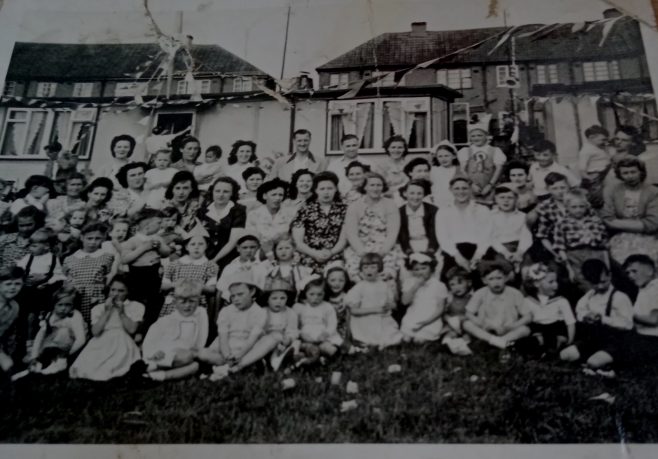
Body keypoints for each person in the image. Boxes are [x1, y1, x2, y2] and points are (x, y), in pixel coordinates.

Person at [560, 259, 633, 371]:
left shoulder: (619, 297)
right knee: (565, 355)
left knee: (593, 362)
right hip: (594, 339)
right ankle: (593, 361)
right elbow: (579, 310)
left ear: (609, 276)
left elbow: (628, 324)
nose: (599, 286)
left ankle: (604, 363)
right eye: (595, 283)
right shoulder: (590, 295)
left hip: (615, 341)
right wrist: (586, 316)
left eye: (603, 282)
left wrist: (603, 319)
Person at [69, 275, 144, 381]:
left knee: (114, 367)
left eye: (121, 291)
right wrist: (107, 311)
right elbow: (95, 332)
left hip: (122, 340)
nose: (115, 294)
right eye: (113, 290)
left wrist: (121, 312)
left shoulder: (136, 306)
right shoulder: (99, 308)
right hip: (100, 341)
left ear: (128, 292)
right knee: (88, 367)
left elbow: (132, 330)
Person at [198, 271, 267, 380]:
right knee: (202, 353)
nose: (236, 299)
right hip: (225, 349)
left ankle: (233, 367)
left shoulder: (260, 312)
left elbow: (252, 340)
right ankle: (227, 366)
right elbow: (223, 337)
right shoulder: (226, 311)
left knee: (258, 350)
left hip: (246, 348)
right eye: (233, 295)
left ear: (252, 291)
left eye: (240, 294)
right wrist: (227, 355)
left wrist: (239, 355)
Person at [142, 279, 208, 381]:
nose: (187, 306)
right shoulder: (165, 321)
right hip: (161, 356)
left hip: (187, 356)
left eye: (192, 301)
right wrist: (155, 353)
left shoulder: (200, 314)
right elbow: (150, 343)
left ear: (198, 301)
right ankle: (148, 368)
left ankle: (152, 377)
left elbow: (200, 339)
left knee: (195, 366)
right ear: (175, 301)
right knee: (187, 357)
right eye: (183, 301)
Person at [344, 172, 402, 281]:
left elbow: (392, 233)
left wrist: (382, 253)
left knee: (387, 274)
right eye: (372, 185)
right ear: (364, 187)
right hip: (360, 248)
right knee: (357, 275)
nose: (376, 188)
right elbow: (351, 234)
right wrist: (363, 254)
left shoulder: (390, 205)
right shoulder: (354, 206)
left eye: (379, 185)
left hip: (385, 247)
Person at [601, 157, 658, 266]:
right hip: (620, 237)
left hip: (648, 237)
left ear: (641, 172)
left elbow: (653, 224)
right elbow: (607, 218)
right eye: (625, 173)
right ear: (619, 175)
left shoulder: (653, 192)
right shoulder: (611, 190)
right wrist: (639, 224)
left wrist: (615, 223)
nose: (630, 176)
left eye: (633, 172)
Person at [462, 263, 531, 349]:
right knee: (467, 324)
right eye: (491, 279)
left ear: (505, 278)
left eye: (499, 278)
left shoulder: (515, 293)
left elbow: (528, 316)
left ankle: (497, 341)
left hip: (507, 328)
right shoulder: (480, 293)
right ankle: (497, 341)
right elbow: (468, 313)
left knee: (525, 329)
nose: (496, 282)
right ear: (484, 280)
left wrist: (512, 326)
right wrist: (481, 323)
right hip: (487, 329)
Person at [16, 228, 66, 346]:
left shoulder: (53, 259)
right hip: (27, 290)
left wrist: (46, 281)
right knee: (22, 315)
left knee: (36, 317)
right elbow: (18, 269)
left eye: (34, 246)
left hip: (42, 292)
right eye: (31, 246)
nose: (31, 249)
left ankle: (33, 340)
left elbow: (58, 275)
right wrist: (24, 277)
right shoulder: (29, 257)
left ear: (46, 246)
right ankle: (21, 338)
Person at [122, 209, 171, 329]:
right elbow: (125, 259)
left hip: (154, 274)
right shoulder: (133, 241)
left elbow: (166, 253)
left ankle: (149, 327)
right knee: (137, 302)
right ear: (147, 224)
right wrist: (143, 248)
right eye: (158, 223)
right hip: (138, 276)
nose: (162, 225)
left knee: (153, 302)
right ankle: (137, 327)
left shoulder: (158, 239)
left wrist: (159, 247)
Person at [553, 188, 609, 292]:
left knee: (602, 282)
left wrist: (607, 265)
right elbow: (560, 248)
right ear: (567, 207)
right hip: (575, 257)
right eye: (574, 207)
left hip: (596, 254)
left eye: (581, 206)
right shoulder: (562, 224)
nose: (578, 210)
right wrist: (569, 269)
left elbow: (604, 245)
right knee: (586, 286)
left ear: (586, 206)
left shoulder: (595, 221)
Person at [291, 171, 348, 273]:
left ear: (335, 189)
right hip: (309, 254)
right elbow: (297, 242)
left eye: (330, 188)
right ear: (315, 190)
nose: (326, 192)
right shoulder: (305, 210)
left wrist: (331, 253)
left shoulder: (344, 210)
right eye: (322, 189)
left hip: (336, 254)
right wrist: (314, 253)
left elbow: (343, 240)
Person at [435, 176, 493, 276]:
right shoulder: (443, 211)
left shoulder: (482, 210)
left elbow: (486, 236)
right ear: (450, 190)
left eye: (464, 188)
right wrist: (458, 257)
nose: (461, 192)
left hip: (478, 251)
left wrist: (477, 256)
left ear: (470, 189)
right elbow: (443, 237)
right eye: (456, 188)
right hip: (453, 252)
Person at [344, 252, 403, 349]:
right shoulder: (359, 287)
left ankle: (382, 341)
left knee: (395, 339)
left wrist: (390, 306)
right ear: (361, 270)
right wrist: (375, 310)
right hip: (365, 320)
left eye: (373, 267)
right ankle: (369, 342)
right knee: (372, 341)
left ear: (379, 269)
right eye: (365, 268)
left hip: (382, 319)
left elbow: (393, 304)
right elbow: (354, 311)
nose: (369, 271)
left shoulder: (384, 285)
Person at [517, 263, 575, 356]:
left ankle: (552, 350)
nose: (556, 285)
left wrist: (570, 341)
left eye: (556, 281)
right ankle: (541, 350)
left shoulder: (561, 301)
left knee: (559, 340)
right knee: (533, 340)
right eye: (551, 282)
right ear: (536, 284)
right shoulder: (528, 301)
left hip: (556, 327)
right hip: (538, 328)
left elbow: (570, 322)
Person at [63, 222, 115, 324]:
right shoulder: (70, 258)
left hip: (96, 297)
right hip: (76, 297)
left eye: (97, 238)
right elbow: (66, 280)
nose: (93, 242)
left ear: (103, 239)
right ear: (82, 237)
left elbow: (109, 277)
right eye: (89, 238)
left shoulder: (107, 257)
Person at [28, 286, 86, 375]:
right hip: (51, 346)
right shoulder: (50, 315)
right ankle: (40, 364)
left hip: (68, 349)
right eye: (60, 305)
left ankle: (59, 364)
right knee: (47, 338)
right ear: (54, 305)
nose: (63, 308)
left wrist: (67, 354)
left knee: (64, 332)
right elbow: (40, 336)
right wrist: (34, 356)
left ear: (73, 305)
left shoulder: (75, 316)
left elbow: (81, 339)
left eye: (68, 305)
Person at [160, 234, 218, 316]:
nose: (196, 247)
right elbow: (163, 285)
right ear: (187, 247)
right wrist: (175, 284)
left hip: (196, 303)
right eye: (193, 244)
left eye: (201, 244)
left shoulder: (210, 266)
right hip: (174, 302)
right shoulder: (174, 264)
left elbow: (212, 289)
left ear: (206, 246)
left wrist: (197, 285)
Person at [197, 177, 247, 267]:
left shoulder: (238, 210)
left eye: (226, 191)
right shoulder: (202, 211)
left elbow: (233, 241)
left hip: (228, 257)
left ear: (232, 193)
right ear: (212, 192)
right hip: (203, 256)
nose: (220, 195)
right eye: (217, 191)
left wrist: (214, 261)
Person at [293, 275, 342, 365]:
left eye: (320, 294)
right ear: (305, 293)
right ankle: (311, 358)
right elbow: (294, 326)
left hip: (322, 336)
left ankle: (323, 357)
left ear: (324, 294)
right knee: (302, 347)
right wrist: (301, 334)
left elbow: (332, 324)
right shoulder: (299, 307)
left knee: (329, 348)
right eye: (311, 294)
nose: (315, 298)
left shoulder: (327, 307)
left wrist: (326, 334)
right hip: (306, 338)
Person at [400, 253, 448, 343]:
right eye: (416, 269)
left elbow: (440, 308)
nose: (420, 272)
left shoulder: (439, 285)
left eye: (424, 268)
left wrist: (426, 322)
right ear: (412, 271)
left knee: (419, 340)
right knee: (406, 339)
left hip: (430, 319)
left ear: (431, 269)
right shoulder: (410, 282)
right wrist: (415, 286)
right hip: (413, 316)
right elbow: (404, 302)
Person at [457, 123, 506, 205]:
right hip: (472, 187)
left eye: (479, 135)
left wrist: (490, 186)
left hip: (490, 186)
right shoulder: (466, 151)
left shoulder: (495, 150)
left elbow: (498, 169)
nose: (476, 138)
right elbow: (463, 170)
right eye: (473, 136)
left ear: (486, 136)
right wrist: (471, 185)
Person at [246, 178, 297, 257]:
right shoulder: (254, 214)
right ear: (264, 196)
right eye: (274, 194)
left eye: (280, 195)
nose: (277, 198)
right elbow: (251, 240)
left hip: (285, 253)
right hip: (260, 254)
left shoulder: (291, 214)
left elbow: (293, 238)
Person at [489, 184, 532, 274]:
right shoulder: (490, 216)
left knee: (527, 271)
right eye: (502, 197)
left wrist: (520, 252)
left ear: (516, 199)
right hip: (499, 249)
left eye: (510, 197)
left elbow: (526, 236)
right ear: (496, 199)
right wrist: (505, 253)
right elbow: (491, 237)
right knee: (504, 270)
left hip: (520, 247)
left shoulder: (523, 216)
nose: (506, 201)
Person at [527, 172, 569, 262]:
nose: (560, 191)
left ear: (568, 187)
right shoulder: (545, 206)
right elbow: (543, 236)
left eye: (563, 187)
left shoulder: (576, 201)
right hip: (557, 245)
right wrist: (555, 254)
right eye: (555, 188)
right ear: (548, 189)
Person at [259, 278, 299, 371]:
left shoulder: (290, 313)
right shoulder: (263, 312)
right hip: (266, 342)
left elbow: (292, 330)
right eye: (274, 298)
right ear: (267, 299)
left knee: (296, 344)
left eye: (282, 298)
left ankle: (279, 361)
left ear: (287, 299)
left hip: (283, 343)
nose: (278, 301)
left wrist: (288, 339)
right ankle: (266, 361)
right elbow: (258, 330)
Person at [397, 179, 439, 257]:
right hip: (407, 245)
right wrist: (409, 252)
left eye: (419, 193)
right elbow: (402, 235)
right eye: (412, 193)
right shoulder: (399, 212)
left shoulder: (433, 210)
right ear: (405, 193)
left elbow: (434, 233)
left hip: (428, 243)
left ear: (424, 195)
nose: (415, 197)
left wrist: (430, 251)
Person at [0, 205, 44, 272]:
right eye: (21, 225)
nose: (25, 229)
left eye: (29, 225)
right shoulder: (5, 239)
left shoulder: (43, 242)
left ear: (37, 223)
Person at [624, 254, 658, 337]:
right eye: (628, 273)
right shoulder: (645, 289)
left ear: (650, 271)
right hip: (644, 336)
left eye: (634, 271)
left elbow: (654, 320)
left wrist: (627, 313)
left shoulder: (654, 288)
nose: (630, 276)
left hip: (653, 338)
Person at [160, 170, 203, 235]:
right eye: (177, 188)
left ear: (191, 189)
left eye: (185, 188)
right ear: (172, 189)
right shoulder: (163, 207)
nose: (181, 192)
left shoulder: (195, 207)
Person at [577, 125, 610, 209]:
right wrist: (588, 179)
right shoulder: (586, 150)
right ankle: (597, 210)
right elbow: (582, 168)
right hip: (595, 176)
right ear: (591, 138)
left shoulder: (597, 147)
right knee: (597, 196)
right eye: (602, 139)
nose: (605, 142)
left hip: (604, 173)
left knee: (605, 193)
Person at [0, 267, 25, 375]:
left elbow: (9, 335)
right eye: (8, 284)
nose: (13, 288)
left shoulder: (14, 306)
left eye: (17, 284)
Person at [324, 263, 353, 344]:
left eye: (341, 280)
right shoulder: (324, 297)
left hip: (343, 329)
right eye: (333, 280)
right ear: (326, 281)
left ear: (346, 281)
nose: (337, 283)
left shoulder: (347, 297)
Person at [429, 140, 459, 209]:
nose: (443, 159)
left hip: (454, 202)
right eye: (440, 156)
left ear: (454, 156)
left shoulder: (458, 170)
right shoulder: (433, 170)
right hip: (438, 202)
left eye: (446, 156)